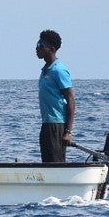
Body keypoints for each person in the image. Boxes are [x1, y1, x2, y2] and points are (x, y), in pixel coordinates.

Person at [36, 29, 75, 163]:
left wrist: (68, 131)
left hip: (57, 125)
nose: (37, 48)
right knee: (46, 164)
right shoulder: (46, 70)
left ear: (51, 49)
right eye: (37, 44)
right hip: (46, 124)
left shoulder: (59, 70)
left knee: (56, 163)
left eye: (41, 45)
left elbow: (70, 99)